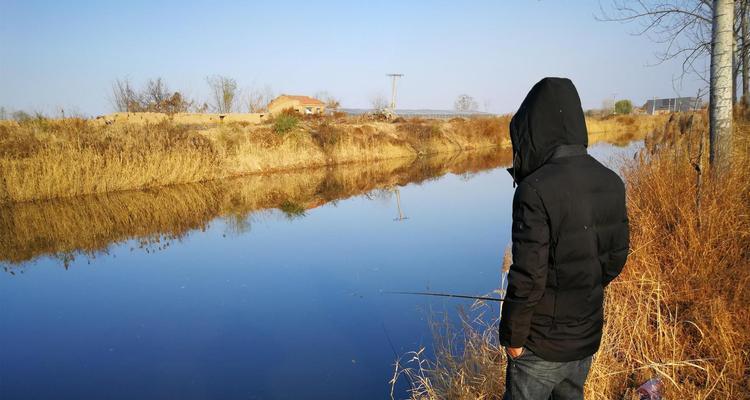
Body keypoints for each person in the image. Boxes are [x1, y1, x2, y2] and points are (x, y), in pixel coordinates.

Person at [498, 77, 629, 399]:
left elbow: (529, 276)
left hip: (541, 345)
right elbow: (615, 259)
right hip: (586, 336)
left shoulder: (535, 189)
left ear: (533, 129)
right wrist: (578, 289)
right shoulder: (611, 179)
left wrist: (513, 338)